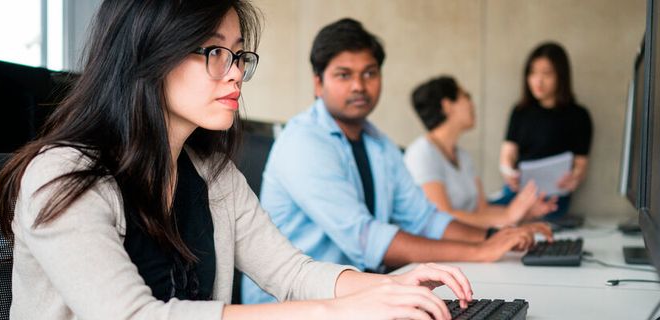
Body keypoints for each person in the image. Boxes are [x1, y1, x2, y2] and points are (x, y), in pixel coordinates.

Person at [0, 1, 475, 319]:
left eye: (240, 56)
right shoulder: (61, 176)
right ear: (148, 55)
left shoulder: (212, 175)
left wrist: (384, 288)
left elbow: (291, 273)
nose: (236, 73)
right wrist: (338, 311)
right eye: (216, 53)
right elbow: (132, 316)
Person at [241, 18, 552, 305]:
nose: (359, 86)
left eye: (369, 73)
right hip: (293, 307)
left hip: (357, 296)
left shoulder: (378, 143)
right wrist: (480, 252)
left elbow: (425, 219)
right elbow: (367, 238)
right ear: (318, 83)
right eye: (343, 75)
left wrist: (494, 238)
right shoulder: (303, 141)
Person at [404, 76, 558, 229]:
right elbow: (442, 216)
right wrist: (507, 216)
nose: (472, 104)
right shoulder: (421, 154)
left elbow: (482, 211)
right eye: (466, 97)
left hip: (469, 245)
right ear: (447, 106)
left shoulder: (463, 157)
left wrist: (524, 214)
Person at [493, 42, 593, 220]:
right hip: (519, 193)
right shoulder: (520, 111)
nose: (538, 80)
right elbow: (507, 155)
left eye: (546, 74)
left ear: (561, 76)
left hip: (553, 197)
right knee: (485, 212)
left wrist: (574, 178)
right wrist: (509, 172)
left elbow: (580, 165)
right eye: (532, 73)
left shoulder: (579, 115)